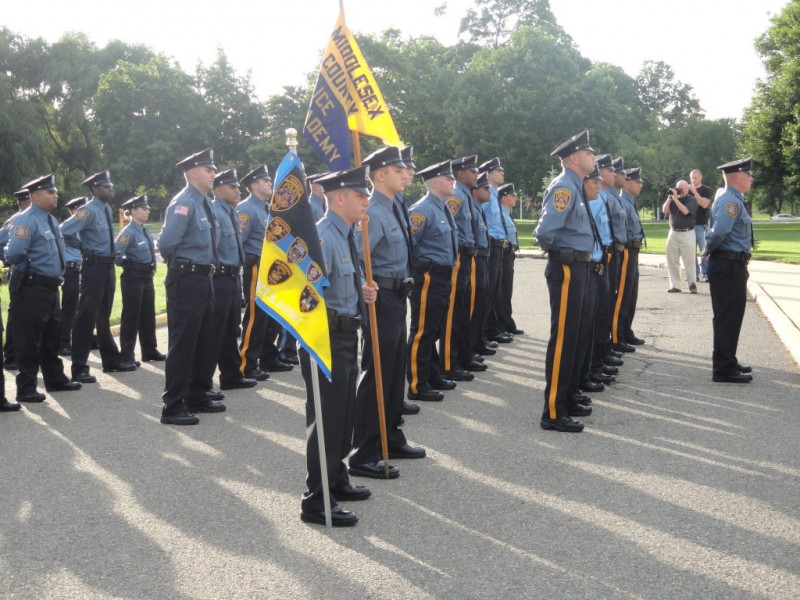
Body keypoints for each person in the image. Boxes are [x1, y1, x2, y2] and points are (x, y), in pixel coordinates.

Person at [300, 166, 379, 527]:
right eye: (360, 195)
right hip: (325, 339)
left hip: (345, 335)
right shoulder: (322, 237)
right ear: (339, 198)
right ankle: (317, 500)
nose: (367, 201)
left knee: (343, 416)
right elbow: (306, 297)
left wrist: (361, 292)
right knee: (327, 420)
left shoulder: (346, 235)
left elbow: (338, 283)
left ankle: (335, 479)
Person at [350, 147, 425, 482]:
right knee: (378, 373)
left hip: (397, 295)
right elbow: (355, 257)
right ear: (379, 175)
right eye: (398, 170)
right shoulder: (372, 213)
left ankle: (390, 437)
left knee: (394, 371)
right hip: (380, 297)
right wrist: (361, 287)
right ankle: (364, 452)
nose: (406, 174)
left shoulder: (395, 207)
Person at [534, 130, 596, 433]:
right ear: (574, 158)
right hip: (568, 267)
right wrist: (558, 251)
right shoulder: (564, 187)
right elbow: (545, 231)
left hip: (579, 266)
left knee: (576, 335)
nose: (593, 157)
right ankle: (553, 411)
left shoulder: (576, 185)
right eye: (588, 152)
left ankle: (567, 397)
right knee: (564, 338)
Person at [157, 148, 224, 425]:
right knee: (184, 342)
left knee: (204, 339)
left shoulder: (204, 202)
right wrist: (182, 263)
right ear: (193, 173)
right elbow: (166, 244)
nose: (213, 174)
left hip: (204, 277)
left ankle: (197, 393)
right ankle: (173, 405)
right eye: (209, 170)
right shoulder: (183, 203)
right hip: (187, 279)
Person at [5, 174, 82, 403]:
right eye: (51, 192)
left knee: (51, 335)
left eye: (55, 191)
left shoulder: (49, 219)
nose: (56, 195)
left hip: (50, 286)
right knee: (29, 338)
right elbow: (14, 253)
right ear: (36, 196)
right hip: (31, 286)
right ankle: (26, 387)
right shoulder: (26, 220)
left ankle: (55, 379)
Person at [62, 170, 134, 383]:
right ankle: (79, 367)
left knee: (103, 316)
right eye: (106, 186)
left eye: (111, 185)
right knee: (86, 317)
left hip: (107, 267)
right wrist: (82, 246)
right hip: (93, 267)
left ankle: (110, 361)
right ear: (94, 189)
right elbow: (64, 230)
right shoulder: (88, 210)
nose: (111, 189)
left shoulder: (106, 208)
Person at [406, 160, 458, 403]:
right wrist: (423, 267)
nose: (452, 181)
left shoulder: (441, 207)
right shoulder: (422, 210)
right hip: (429, 277)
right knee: (423, 331)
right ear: (435, 183)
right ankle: (417, 384)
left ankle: (432, 375)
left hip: (442, 276)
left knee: (434, 328)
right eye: (448, 178)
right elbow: (410, 244)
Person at [237, 165, 293, 379]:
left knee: (271, 316)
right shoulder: (246, 209)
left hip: (271, 268)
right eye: (265, 180)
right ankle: (247, 364)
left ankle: (268, 358)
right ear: (253, 186)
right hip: (256, 266)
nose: (270, 183)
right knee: (256, 317)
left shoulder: (267, 207)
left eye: (269, 180)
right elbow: (239, 242)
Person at [702, 158, 754, 384]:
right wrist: (708, 248)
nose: (751, 178)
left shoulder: (733, 199)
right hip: (727, 264)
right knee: (728, 318)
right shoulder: (730, 201)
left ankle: (728, 361)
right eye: (747, 175)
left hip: (731, 264)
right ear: (736, 177)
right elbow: (720, 231)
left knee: (731, 317)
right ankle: (723, 368)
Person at [210, 169, 256, 392]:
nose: (238, 191)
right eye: (232, 187)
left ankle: (231, 375)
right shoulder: (215, 212)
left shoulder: (231, 212)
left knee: (230, 329)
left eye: (238, 187)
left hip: (233, 276)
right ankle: (204, 383)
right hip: (219, 277)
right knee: (215, 331)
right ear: (218, 191)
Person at [441, 155, 484, 381]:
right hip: (459, 257)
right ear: (460, 174)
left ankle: (463, 356)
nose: (477, 174)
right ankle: (449, 363)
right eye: (472, 171)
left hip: (468, 257)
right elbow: (451, 228)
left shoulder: (465, 195)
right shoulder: (456, 196)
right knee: (454, 313)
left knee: (464, 309)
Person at [114, 195, 165, 364]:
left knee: (147, 315)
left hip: (146, 277)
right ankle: (127, 355)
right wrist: (129, 265)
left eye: (148, 209)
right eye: (144, 209)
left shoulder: (144, 230)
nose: (147, 211)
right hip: (133, 277)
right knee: (131, 317)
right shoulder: (128, 232)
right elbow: (116, 254)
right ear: (134, 211)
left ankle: (149, 350)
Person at [612, 167, 646, 352]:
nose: (640, 185)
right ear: (626, 184)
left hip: (633, 251)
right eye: (637, 182)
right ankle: (617, 336)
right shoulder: (623, 202)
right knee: (623, 296)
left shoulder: (629, 202)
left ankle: (626, 330)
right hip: (626, 250)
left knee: (632, 294)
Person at [479, 157, 512, 344]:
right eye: (499, 171)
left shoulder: (494, 193)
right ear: (488, 174)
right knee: (488, 291)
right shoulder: (486, 193)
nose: (503, 174)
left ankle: (490, 330)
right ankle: (483, 333)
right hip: (491, 244)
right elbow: (481, 218)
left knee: (494, 292)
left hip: (499, 245)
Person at [1, 188, 33, 371]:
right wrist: (8, 259)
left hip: (33, 275)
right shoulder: (15, 221)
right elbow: (1, 240)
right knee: (16, 315)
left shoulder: (34, 218)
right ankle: (11, 356)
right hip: (20, 273)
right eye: (29, 200)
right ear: (22, 202)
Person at [468, 172, 496, 359]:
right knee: (473, 305)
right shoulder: (470, 206)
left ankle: (477, 341)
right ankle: (470, 347)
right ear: (475, 191)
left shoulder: (478, 208)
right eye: (485, 188)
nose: (489, 191)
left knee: (481, 302)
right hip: (475, 258)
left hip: (483, 257)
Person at [58, 197, 87, 357]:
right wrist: (80, 245)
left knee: (79, 305)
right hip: (70, 268)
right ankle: (63, 342)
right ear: (75, 211)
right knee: (70, 306)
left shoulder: (82, 226)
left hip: (79, 267)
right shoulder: (69, 226)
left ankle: (81, 337)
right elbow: (63, 232)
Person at [496, 183, 524, 336]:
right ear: (503, 197)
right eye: (513, 195)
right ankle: (502, 324)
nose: (515, 198)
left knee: (507, 290)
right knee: (503, 290)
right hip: (504, 253)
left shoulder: (507, 212)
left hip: (510, 255)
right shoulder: (499, 213)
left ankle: (507, 322)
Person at [662, 180, 698, 293]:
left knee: (689, 260)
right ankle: (675, 285)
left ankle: (692, 283)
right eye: (678, 188)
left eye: (682, 188)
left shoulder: (692, 200)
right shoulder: (673, 199)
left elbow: (685, 211)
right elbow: (664, 210)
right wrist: (670, 198)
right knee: (672, 260)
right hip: (673, 232)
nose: (680, 190)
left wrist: (676, 199)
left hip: (687, 233)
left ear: (687, 189)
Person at [689, 169, 713, 282]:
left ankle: (706, 273)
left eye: (695, 178)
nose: (693, 180)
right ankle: (694, 273)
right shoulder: (687, 189)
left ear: (700, 177)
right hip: (688, 226)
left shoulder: (706, 190)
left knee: (704, 250)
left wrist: (694, 192)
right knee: (690, 252)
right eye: (692, 178)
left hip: (700, 225)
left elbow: (704, 204)